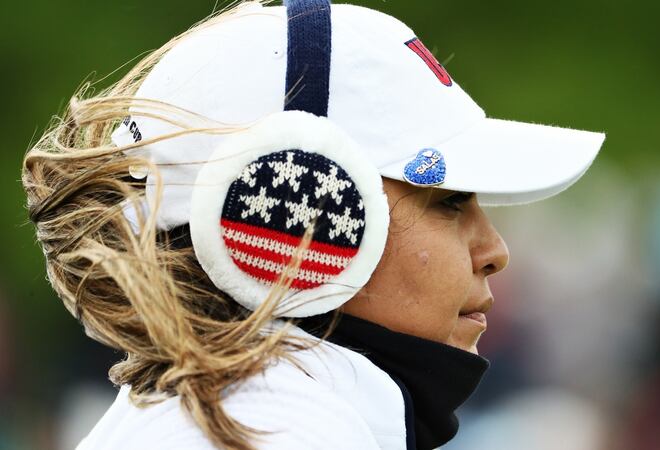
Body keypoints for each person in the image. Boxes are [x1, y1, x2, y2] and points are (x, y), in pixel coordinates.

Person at [21, 1, 605, 449]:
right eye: (448, 203)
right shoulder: (283, 430)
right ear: (287, 214)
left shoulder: (229, 418)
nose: (494, 250)